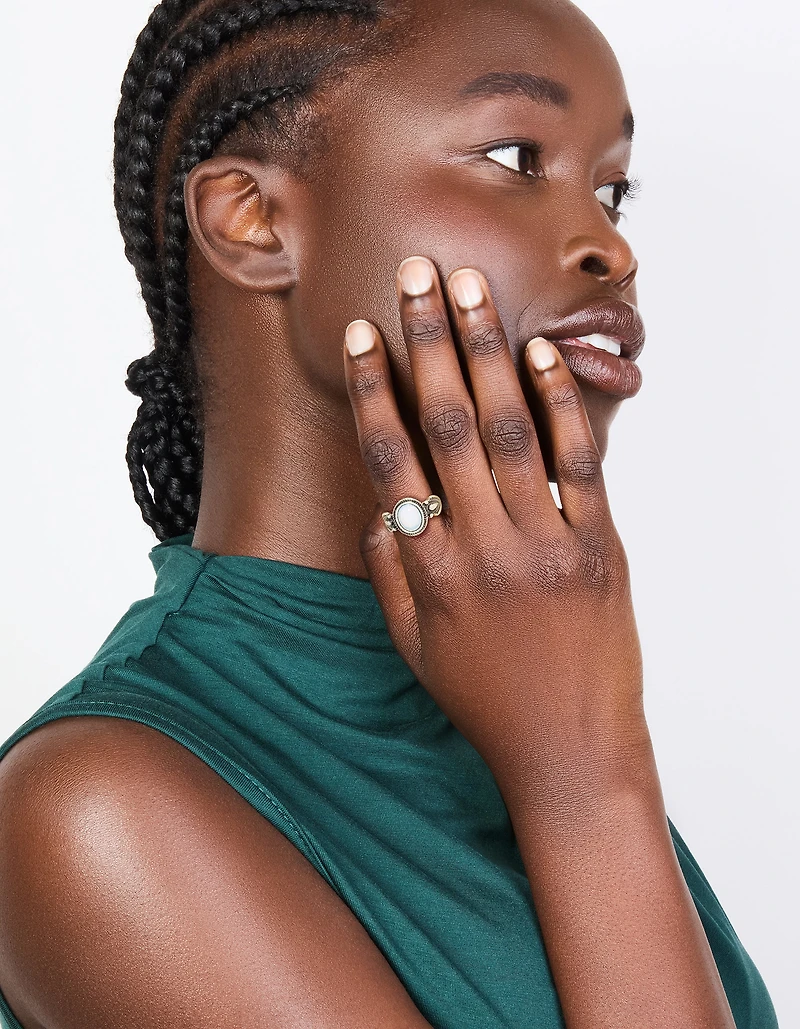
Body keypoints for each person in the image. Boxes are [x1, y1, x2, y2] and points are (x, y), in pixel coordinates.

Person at [0, 0, 780, 1026]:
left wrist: (578, 757)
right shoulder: (96, 809)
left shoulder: (524, 683)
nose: (606, 248)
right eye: (513, 155)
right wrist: (585, 782)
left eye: (610, 190)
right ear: (253, 218)